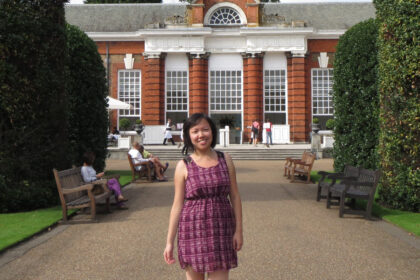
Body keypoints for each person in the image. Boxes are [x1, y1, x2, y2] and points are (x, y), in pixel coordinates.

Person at [164, 113, 243, 280]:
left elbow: (235, 196)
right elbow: (177, 206)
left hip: (221, 229)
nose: (201, 135)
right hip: (192, 231)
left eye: (205, 129)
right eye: (195, 131)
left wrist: (239, 230)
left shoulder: (225, 159)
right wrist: (169, 242)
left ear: (212, 132)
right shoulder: (183, 166)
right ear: (188, 136)